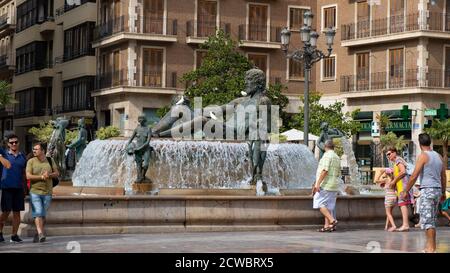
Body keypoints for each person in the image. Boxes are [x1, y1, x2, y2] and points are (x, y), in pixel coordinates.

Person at [400, 133, 446, 253]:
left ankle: (431, 248)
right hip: (437, 190)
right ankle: (430, 247)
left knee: (427, 221)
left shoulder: (423, 156)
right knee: (431, 220)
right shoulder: (439, 156)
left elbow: (414, 175)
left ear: (420, 145)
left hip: (427, 190)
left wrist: (405, 190)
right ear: (430, 142)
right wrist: (443, 192)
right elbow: (443, 176)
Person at [26, 142, 59, 243]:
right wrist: (41, 177)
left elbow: (57, 173)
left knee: (42, 215)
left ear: (43, 151)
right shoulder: (31, 161)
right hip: (35, 191)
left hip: (47, 192)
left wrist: (49, 175)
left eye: (36, 149)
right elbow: (28, 176)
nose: (34, 151)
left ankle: (38, 233)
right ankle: (41, 233)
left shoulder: (50, 160)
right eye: (33, 149)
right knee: (39, 213)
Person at [312, 140, 340, 232]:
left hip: (326, 185)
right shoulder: (336, 156)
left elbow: (325, 170)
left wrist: (317, 184)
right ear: (333, 147)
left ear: (325, 147)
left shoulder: (327, 156)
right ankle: (327, 226)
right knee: (328, 207)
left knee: (319, 203)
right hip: (334, 185)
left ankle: (332, 220)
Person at [386, 147, 412, 231]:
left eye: (389, 154)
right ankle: (405, 224)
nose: (388, 156)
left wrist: (394, 181)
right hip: (401, 187)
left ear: (394, 153)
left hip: (403, 186)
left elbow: (403, 171)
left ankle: (405, 225)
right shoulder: (396, 162)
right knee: (402, 204)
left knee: (403, 204)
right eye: (387, 155)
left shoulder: (398, 160)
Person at [0, 135, 16, 243]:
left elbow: (8, 165)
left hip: (3, 186)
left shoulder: (1, 151)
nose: (14, 144)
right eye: (12, 142)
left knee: (5, 210)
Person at [126, 115, 152, 183]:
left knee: (146, 164)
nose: (140, 120)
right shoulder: (136, 129)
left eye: (142, 118)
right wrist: (128, 146)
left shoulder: (148, 129)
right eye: (139, 118)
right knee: (138, 164)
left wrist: (139, 148)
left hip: (146, 149)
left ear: (145, 119)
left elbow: (147, 142)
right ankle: (139, 178)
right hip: (137, 149)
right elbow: (131, 139)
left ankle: (142, 176)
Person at [375, 168, 397, 232]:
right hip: (394, 198)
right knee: (389, 213)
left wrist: (380, 173)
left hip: (388, 198)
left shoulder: (386, 179)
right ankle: (386, 226)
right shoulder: (394, 180)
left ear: (386, 173)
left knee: (388, 213)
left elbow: (376, 180)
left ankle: (393, 226)